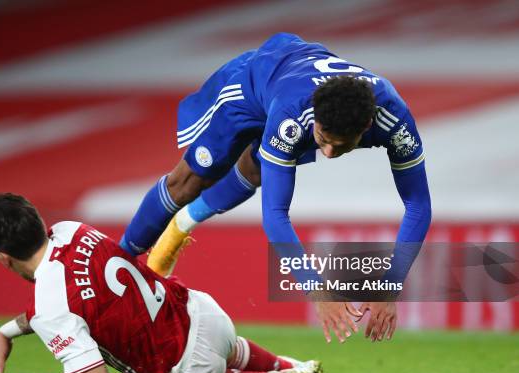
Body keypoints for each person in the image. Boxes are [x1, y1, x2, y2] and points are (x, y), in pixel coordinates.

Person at [118, 33, 432, 344]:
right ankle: (117, 261)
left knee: (254, 173)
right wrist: (316, 289)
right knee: (189, 181)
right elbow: (276, 214)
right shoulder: (292, 115)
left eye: (341, 146)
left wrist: (388, 287)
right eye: (323, 140)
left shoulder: (395, 120)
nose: (328, 155)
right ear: (316, 120)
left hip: (295, 77)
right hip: (254, 82)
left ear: (366, 128)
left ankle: (185, 221)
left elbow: (418, 205)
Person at [0, 193, 323, 373]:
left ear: (2, 257)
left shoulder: (51, 303)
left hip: (188, 368)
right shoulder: (71, 229)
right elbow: (74, 295)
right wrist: (8, 330)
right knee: (226, 348)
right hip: (204, 313)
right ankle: (289, 365)